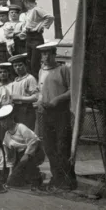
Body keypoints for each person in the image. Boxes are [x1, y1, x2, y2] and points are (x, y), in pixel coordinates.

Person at [36, 42, 76, 191]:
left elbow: (72, 90)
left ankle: (67, 181)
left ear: (54, 54)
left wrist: (56, 100)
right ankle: (56, 178)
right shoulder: (41, 71)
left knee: (62, 146)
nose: (45, 57)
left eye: (48, 54)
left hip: (61, 114)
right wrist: (40, 102)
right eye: (43, 54)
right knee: (49, 147)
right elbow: (41, 91)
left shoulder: (63, 69)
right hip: (46, 114)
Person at [0, 105, 45, 189]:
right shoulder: (6, 136)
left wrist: (27, 154)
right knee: (15, 179)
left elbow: (33, 141)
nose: (2, 124)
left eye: (5, 121)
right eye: (1, 122)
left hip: (35, 152)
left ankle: (37, 179)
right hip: (20, 156)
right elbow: (9, 157)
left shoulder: (21, 127)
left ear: (11, 118)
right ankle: (35, 175)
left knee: (27, 164)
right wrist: (11, 173)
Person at [20, 0, 54, 78]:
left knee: (35, 63)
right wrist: (23, 33)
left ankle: (38, 81)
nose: (24, 4)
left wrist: (41, 26)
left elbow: (49, 17)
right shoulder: (29, 12)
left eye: (25, 2)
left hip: (36, 37)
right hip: (29, 37)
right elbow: (29, 24)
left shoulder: (36, 9)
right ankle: (33, 81)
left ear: (27, 2)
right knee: (29, 61)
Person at [9, 53, 38, 130]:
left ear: (25, 65)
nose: (18, 68)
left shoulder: (30, 78)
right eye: (15, 66)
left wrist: (19, 98)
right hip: (16, 109)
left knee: (26, 131)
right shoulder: (14, 81)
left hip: (26, 109)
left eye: (20, 65)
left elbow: (35, 97)